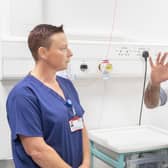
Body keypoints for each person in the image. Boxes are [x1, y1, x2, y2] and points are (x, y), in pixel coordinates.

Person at [6, 24, 90, 168]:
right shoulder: (23, 95)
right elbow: (37, 150)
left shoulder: (66, 85)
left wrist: (87, 162)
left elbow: (80, 125)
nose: (70, 53)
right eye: (63, 48)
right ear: (43, 53)